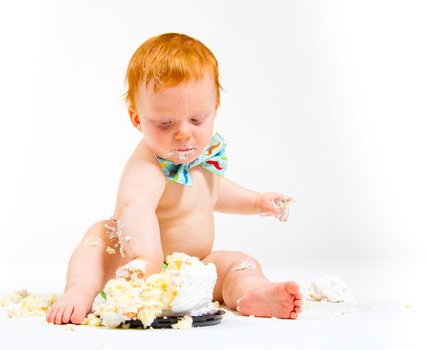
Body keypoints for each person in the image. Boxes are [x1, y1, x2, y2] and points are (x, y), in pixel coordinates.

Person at [46, 33, 302, 325]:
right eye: (165, 123)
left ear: (214, 109)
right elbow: (136, 210)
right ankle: (79, 292)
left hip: (193, 269)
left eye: (196, 120)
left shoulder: (200, 159)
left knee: (239, 263)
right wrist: (147, 261)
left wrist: (256, 201)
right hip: (134, 270)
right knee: (96, 239)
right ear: (137, 120)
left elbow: (215, 192)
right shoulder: (146, 168)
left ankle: (252, 292)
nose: (183, 133)